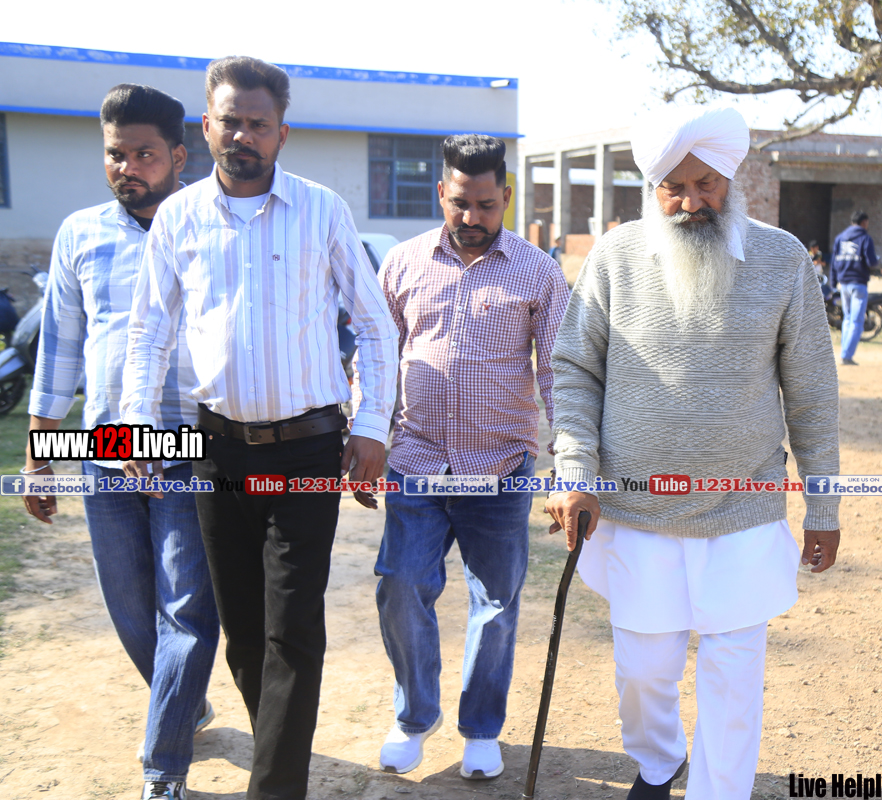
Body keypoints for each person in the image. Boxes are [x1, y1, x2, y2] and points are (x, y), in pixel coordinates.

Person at [120, 57, 399, 799]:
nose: (242, 134)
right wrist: (135, 423)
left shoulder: (322, 211)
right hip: (215, 453)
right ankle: (281, 755)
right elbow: (148, 332)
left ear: (282, 133)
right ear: (205, 126)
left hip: (306, 451)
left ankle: (275, 789)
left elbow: (375, 325)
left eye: (258, 123)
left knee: (292, 629)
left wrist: (372, 426)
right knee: (244, 636)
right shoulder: (179, 218)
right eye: (230, 121)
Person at [547, 106, 841, 800]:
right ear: (651, 188)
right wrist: (575, 470)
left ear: (730, 179)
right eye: (673, 188)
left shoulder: (782, 259)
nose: (691, 202)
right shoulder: (614, 257)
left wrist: (824, 506)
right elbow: (575, 371)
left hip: (743, 510)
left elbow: (812, 393)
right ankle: (658, 762)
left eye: (706, 184)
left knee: (734, 679)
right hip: (635, 513)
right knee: (643, 670)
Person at [21, 84, 218, 800]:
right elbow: (59, 349)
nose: (127, 167)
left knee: (186, 608)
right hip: (104, 446)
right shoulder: (80, 233)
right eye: (115, 154)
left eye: (143, 153)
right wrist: (40, 455)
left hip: (192, 445)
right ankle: (186, 701)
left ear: (179, 155)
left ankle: (163, 768)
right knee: (130, 605)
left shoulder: (213, 224)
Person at [366, 135, 568, 779]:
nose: (472, 217)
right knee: (400, 586)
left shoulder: (539, 272)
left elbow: (558, 372)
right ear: (441, 194)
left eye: (485, 204)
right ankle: (413, 717)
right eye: (460, 203)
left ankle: (481, 730)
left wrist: (569, 464)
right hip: (414, 460)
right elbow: (375, 358)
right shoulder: (401, 264)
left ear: (506, 196)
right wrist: (362, 433)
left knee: (497, 604)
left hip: (501, 469)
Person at [829, 209, 879, 365]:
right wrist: (876, 262)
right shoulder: (865, 238)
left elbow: (834, 263)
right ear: (864, 222)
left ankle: (844, 352)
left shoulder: (840, 238)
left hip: (843, 284)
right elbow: (871, 262)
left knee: (847, 319)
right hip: (858, 284)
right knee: (857, 321)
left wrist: (833, 283)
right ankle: (846, 356)